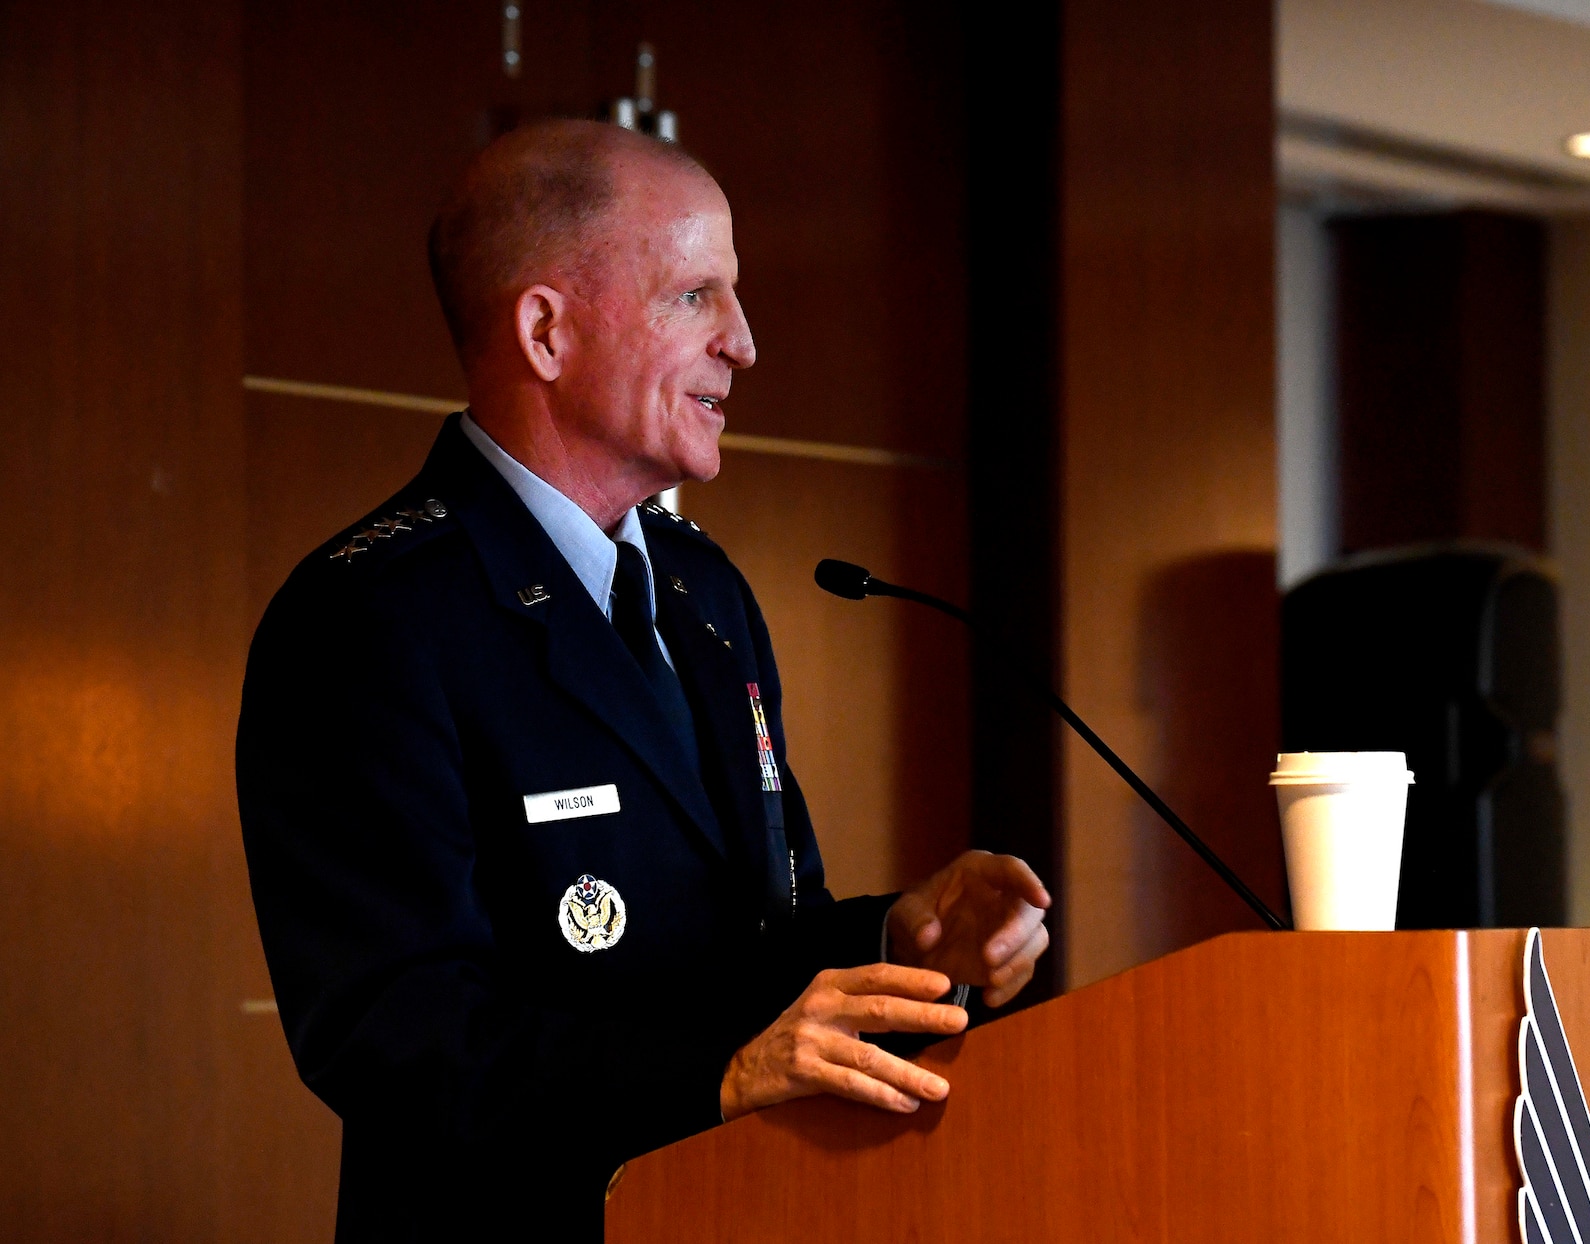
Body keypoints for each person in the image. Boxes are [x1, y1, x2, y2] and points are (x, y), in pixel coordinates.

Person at [236, 119, 1051, 1243]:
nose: (745, 342)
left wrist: (892, 940)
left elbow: (758, 929)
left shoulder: (704, 592)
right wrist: (713, 1074)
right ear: (545, 331)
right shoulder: (368, 615)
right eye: (694, 296)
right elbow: (391, 1029)